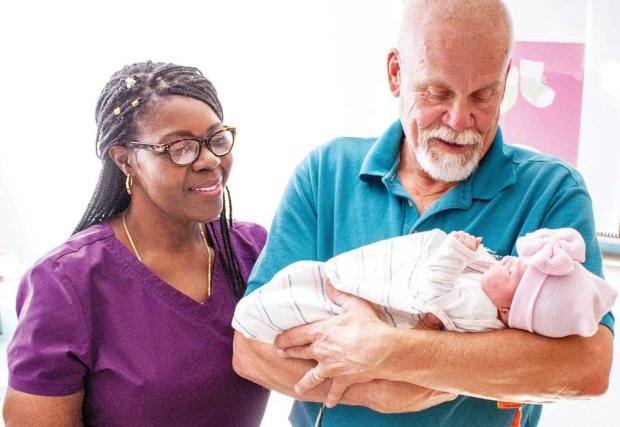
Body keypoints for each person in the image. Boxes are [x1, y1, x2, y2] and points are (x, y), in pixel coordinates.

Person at [232, 1, 614, 426]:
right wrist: (378, 392)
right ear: (396, 73)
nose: (459, 119)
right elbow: (250, 347)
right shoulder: (326, 172)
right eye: (437, 92)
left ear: (505, 83)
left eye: (483, 95)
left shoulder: (551, 191)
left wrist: (389, 351)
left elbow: (584, 368)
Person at [4, 61, 269, 426]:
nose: (210, 160)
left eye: (217, 139)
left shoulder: (253, 251)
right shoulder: (66, 283)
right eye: (180, 147)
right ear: (126, 160)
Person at [233, 228, 617, 343]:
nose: (510, 261)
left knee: (307, 286)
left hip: (373, 308)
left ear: (506, 312)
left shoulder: (477, 308)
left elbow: (430, 294)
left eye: (514, 273)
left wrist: (454, 251)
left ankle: (258, 315)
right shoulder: (489, 296)